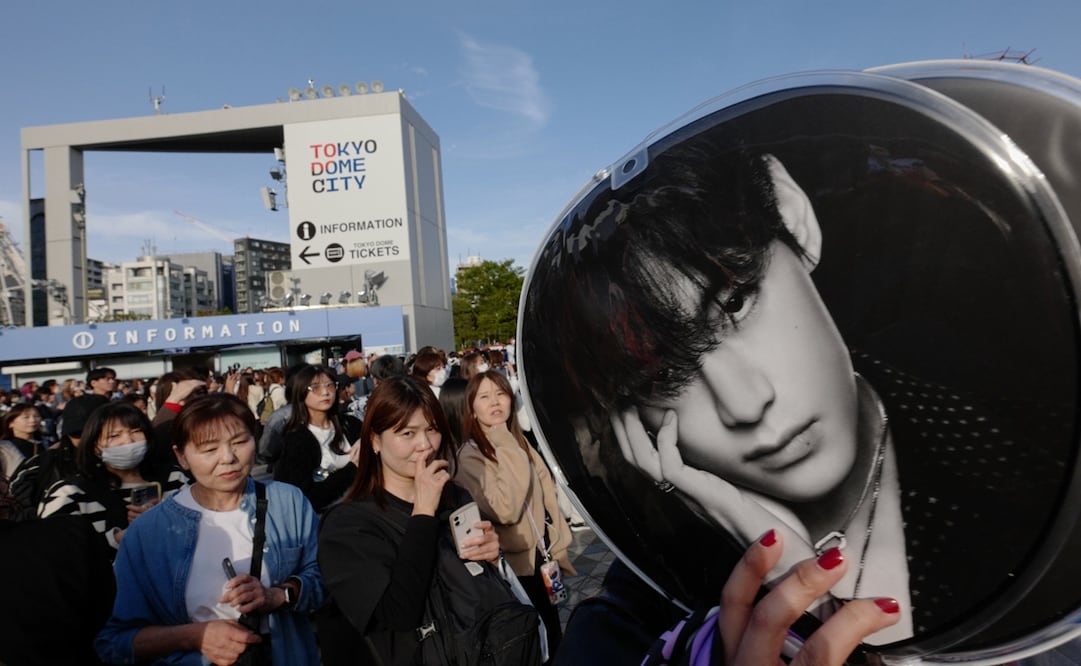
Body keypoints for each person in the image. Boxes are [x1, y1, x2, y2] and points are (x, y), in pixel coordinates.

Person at [523, 130, 1072, 646]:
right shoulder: (645, 606)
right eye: (663, 375)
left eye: (735, 304)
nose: (746, 403)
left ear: (793, 214)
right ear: (628, 418)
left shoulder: (1032, 452)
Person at [95, 393, 325, 665]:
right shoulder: (148, 533)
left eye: (240, 442)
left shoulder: (288, 502)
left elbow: (324, 579)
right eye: (209, 449)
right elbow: (114, 641)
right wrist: (195, 636)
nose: (228, 458)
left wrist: (277, 595)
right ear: (181, 456)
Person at [317, 375, 508, 666]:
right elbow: (398, 613)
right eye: (407, 433)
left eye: (432, 430)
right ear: (375, 441)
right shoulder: (346, 525)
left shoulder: (454, 497)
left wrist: (493, 557)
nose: (425, 446)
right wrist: (422, 513)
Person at [455, 369, 576, 656]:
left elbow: (547, 495)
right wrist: (502, 438)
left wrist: (557, 546)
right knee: (532, 644)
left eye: (500, 393)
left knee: (554, 637)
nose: (495, 402)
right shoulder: (471, 455)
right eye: (484, 397)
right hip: (511, 568)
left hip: (541, 556)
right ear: (471, 408)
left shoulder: (516, 441)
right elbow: (506, 509)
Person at [37, 401, 186, 558]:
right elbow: (55, 552)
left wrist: (170, 520)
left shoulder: (173, 478)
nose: (128, 441)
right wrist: (120, 538)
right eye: (114, 436)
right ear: (95, 446)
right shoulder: (69, 493)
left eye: (136, 431)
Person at [274, 364, 358, 513]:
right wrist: (353, 468)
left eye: (330, 386)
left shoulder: (350, 424)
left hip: (363, 510)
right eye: (315, 387)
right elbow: (306, 496)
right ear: (301, 393)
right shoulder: (296, 439)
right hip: (323, 519)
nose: (325, 392)